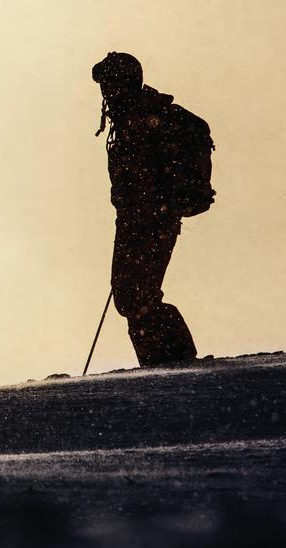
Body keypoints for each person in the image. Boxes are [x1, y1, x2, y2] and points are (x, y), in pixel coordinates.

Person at [92, 52, 198, 366]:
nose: (105, 92)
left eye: (109, 84)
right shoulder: (128, 121)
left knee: (136, 295)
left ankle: (174, 361)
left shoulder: (147, 119)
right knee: (131, 295)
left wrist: (159, 202)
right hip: (136, 219)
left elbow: (153, 171)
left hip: (153, 217)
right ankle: (164, 362)